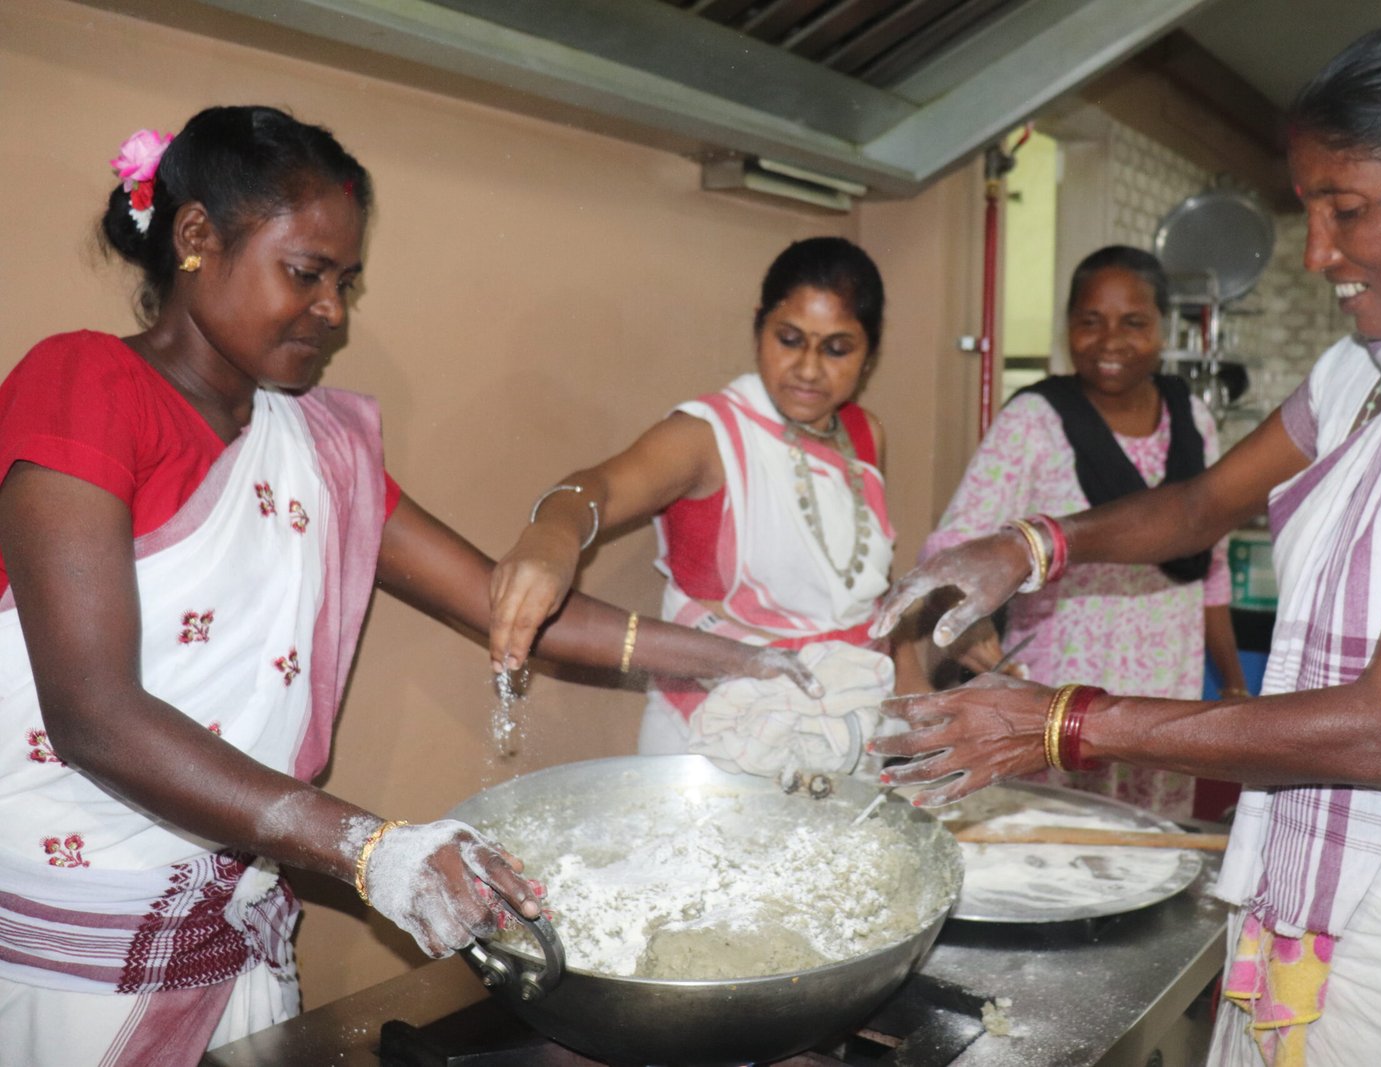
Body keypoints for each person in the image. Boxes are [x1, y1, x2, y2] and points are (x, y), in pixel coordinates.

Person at [0, 106, 816, 1067]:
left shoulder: (316, 446)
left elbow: (509, 604)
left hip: (239, 929)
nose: (334, 312)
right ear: (195, 237)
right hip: (75, 949)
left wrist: (747, 662)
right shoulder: (85, 383)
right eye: (306, 273)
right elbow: (92, 713)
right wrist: (371, 848)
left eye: (345, 282)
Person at [869, 18, 1381, 1065]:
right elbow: (1200, 505)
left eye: (1348, 209)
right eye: (1310, 209)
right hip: (1325, 863)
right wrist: (1022, 547)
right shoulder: (1365, 372)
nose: (1316, 253)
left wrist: (1063, 721)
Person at [490, 237, 926, 776]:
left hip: (843, 729)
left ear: (869, 354)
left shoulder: (864, 434)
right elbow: (597, 487)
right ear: (759, 327)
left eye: (837, 349)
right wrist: (551, 538)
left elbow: (867, 586)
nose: (809, 369)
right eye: (789, 340)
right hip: (716, 737)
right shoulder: (706, 436)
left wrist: (919, 698)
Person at [921, 245, 1246, 819]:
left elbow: (1210, 567)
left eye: (1133, 323)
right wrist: (965, 623)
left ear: (1162, 327)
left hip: (1163, 696)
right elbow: (953, 547)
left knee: (1153, 840)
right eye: (1090, 322)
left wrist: (1234, 684)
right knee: (1058, 838)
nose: (1109, 341)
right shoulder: (1036, 420)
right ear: (1068, 326)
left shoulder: (1192, 417)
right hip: (1058, 694)